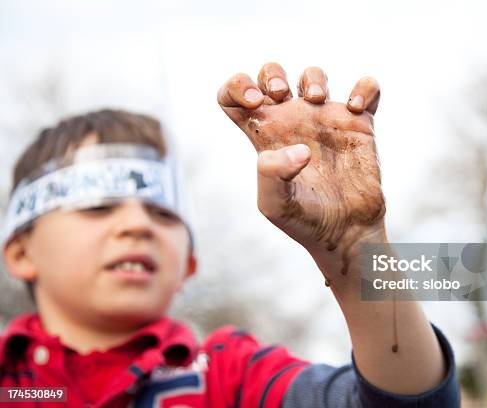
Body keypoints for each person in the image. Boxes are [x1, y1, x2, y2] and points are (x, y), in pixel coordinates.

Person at [0, 63, 460, 407]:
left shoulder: (232, 376)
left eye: (163, 213)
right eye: (98, 207)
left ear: (188, 265)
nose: (137, 225)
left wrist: (357, 251)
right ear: (21, 251)